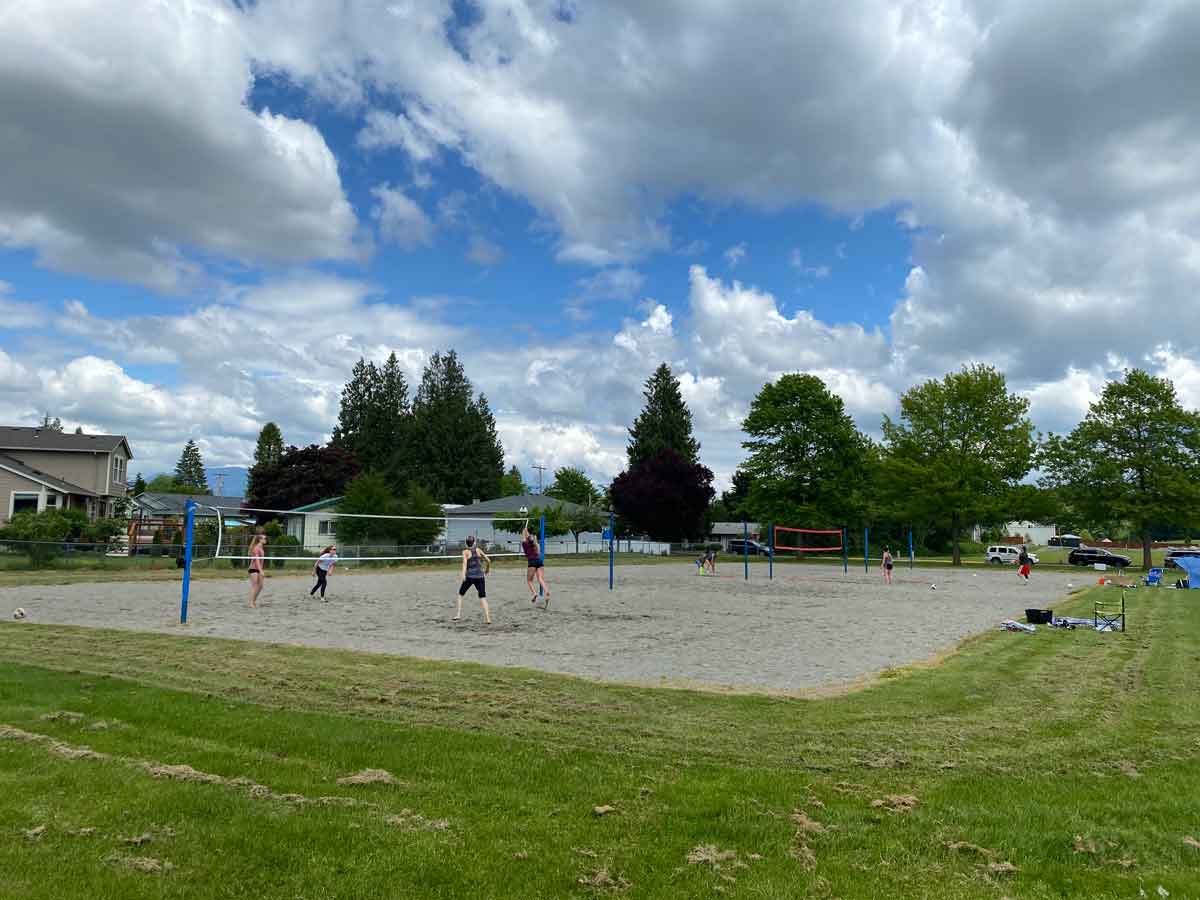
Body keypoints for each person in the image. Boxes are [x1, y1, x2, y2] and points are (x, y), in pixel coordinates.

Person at [454, 535, 491, 624]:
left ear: (466, 543)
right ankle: (488, 618)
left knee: (460, 595)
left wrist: (463, 574)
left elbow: (464, 564)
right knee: (483, 597)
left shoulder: (465, 552)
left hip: (470, 577)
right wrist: (487, 569)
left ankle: (458, 614)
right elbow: (488, 561)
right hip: (480, 576)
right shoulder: (478, 550)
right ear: (474, 542)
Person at [521, 527, 550, 605]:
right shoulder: (536, 545)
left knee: (529, 580)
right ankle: (546, 591)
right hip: (539, 561)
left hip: (532, 562)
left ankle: (534, 593)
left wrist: (524, 531)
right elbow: (530, 538)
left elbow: (524, 536)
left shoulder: (524, 544)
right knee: (540, 578)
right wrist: (527, 532)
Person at [247, 532, 267, 608]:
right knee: (255, 586)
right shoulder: (256, 548)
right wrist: (261, 570)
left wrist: (261, 569)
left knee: (260, 586)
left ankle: (253, 601)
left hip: (258, 568)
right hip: (253, 569)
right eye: (264, 538)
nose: (265, 539)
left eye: (265, 538)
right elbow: (257, 560)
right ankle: (251, 603)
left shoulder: (261, 547)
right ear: (259, 539)